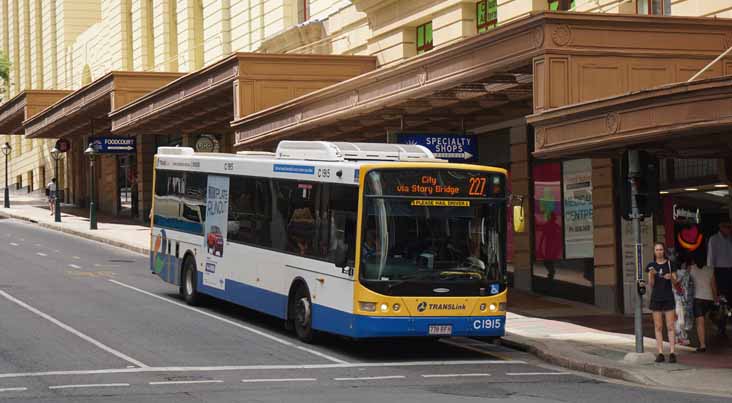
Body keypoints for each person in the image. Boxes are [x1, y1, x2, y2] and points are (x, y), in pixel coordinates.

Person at [647, 242, 678, 363]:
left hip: (668, 297)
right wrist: (651, 275)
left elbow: (676, 282)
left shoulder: (670, 264)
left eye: (661, 249)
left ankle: (672, 352)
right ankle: (660, 352)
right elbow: (651, 285)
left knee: (670, 326)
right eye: (657, 250)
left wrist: (671, 277)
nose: (659, 251)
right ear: (654, 252)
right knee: (658, 326)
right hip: (656, 298)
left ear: (663, 251)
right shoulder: (651, 265)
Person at [706, 221, 732, 336]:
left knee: (729, 300)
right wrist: (711, 275)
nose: (729, 229)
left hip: (730, 271)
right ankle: (720, 324)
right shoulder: (714, 239)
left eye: (730, 227)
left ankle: (725, 323)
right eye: (726, 227)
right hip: (719, 271)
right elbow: (711, 258)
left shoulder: (730, 239)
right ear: (721, 227)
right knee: (720, 300)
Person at [689, 255, 718, 352]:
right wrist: (716, 300)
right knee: (707, 322)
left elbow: (686, 282)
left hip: (697, 299)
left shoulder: (691, 269)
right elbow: (714, 287)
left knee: (700, 323)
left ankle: (702, 345)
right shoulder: (710, 269)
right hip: (709, 299)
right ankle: (708, 341)